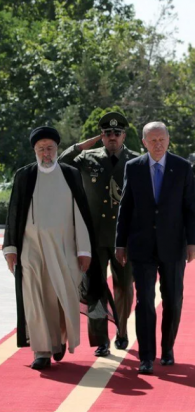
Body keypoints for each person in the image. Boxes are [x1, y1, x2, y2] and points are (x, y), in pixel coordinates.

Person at [3, 126, 103, 370]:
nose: (46, 154)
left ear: (57, 149)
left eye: (50, 148)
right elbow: (14, 213)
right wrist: (11, 249)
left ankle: (58, 341)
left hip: (65, 248)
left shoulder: (70, 174)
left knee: (62, 297)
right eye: (41, 149)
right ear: (34, 151)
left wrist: (84, 250)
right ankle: (42, 350)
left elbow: (80, 214)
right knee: (35, 299)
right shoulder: (24, 176)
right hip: (31, 249)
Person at [115, 121, 195, 375]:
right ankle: (146, 356)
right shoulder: (134, 167)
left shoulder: (182, 167)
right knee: (145, 302)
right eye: (152, 140)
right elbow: (126, 206)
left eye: (162, 139)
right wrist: (120, 242)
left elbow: (191, 208)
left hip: (173, 245)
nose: (158, 144)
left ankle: (168, 347)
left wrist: (193, 242)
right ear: (144, 142)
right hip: (141, 246)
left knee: (173, 300)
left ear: (169, 139)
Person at [59, 112, 139, 357]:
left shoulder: (135, 161)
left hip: (123, 238)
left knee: (124, 287)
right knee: (94, 289)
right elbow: (62, 161)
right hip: (93, 237)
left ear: (124, 135)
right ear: (101, 136)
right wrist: (86, 143)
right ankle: (100, 339)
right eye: (107, 133)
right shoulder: (87, 158)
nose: (112, 137)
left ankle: (122, 331)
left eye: (116, 133)